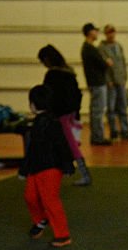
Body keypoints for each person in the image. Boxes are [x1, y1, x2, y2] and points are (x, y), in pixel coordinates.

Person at [19, 85, 74, 247]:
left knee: (50, 200)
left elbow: (62, 144)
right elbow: (32, 149)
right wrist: (25, 168)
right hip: (36, 167)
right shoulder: (36, 123)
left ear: (33, 104)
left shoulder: (53, 123)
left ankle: (63, 235)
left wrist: (67, 164)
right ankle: (41, 220)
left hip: (51, 167)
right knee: (30, 196)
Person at [37, 44, 90, 186]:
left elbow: (48, 96)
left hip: (61, 115)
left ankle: (83, 174)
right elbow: (77, 94)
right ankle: (70, 171)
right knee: (70, 143)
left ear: (47, 59)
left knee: (69, 145)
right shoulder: (69, 72)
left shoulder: (52, 75)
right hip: (72, 114)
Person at [99, 24, 128, 141]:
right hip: (111, 83)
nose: (111, 34)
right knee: (111, 108)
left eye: (113, 32)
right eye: (109, 32)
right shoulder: (102, 48)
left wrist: (124, 78)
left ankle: (125, 130)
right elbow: (104, 67)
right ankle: (113, 131)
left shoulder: (119, 46)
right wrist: (108, 80)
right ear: (105, 34)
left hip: (121, 81)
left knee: (123, 106)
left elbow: (123, 63)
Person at [80, 23, 110, 145]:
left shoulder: (86, 48)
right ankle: (98, 137)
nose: (97, 33)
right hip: (97, 83)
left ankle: (97, 135)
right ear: (90, 32)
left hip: (94, 83)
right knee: (98, 111)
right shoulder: (90, 48)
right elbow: (102, 64)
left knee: (96, 110)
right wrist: (107, 62)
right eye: (95, 31)